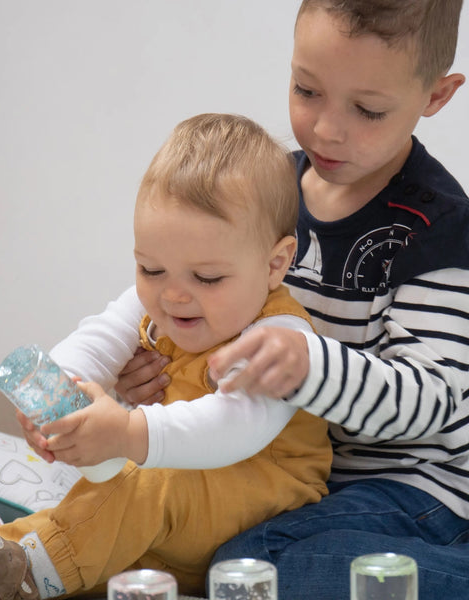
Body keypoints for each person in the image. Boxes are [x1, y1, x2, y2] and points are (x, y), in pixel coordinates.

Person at [61, 1, 469, 598]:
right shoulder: (266, 189)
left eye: (368, 109)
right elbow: (192, 300)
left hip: (413, 489)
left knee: (257, 561)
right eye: (307, 90)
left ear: (435, 96)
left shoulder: (438, 228)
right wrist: (149, 371)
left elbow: (435, 400)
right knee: (139, 535)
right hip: (288, 473)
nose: (328, 128)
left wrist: (310, 367)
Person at [0, 114, 331, 600]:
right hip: (166, 503)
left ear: (275, 263)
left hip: (260, 507)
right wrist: (57, 393)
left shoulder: (282, 337)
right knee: (88, 527)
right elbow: (99, 337)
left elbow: (233, 427)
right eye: (150, 269)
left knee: (137, 489)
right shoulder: (158, 302)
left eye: (208, 279)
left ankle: (20, 573)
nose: (173, 296)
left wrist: (129, 433)